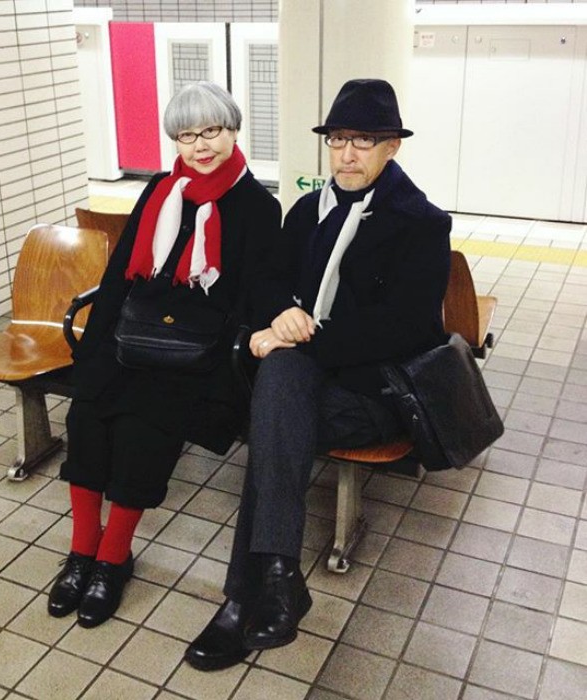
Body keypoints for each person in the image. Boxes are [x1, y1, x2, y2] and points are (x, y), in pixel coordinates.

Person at [185, 78, 452, 670]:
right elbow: (268, 279)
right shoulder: (309, 210)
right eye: (337, 140)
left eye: (364, 140)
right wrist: (280, 313)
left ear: (392, 147)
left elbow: (409, 329)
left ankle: (244, 597)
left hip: (374, 391)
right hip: (305, 380)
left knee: (276, 407)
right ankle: (277, 577)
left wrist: (297, 338)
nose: (347, 154)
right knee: (281, 400)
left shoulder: (421, 222)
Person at [48, 82, 283, 628]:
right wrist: (94, 350)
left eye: (212, 131)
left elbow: (253, 294)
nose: (201, 146)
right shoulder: (161, 187)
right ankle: (82, 551)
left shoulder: (257, 206)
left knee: (141, 433)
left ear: (233, 130)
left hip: (194, 352)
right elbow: (120, 274)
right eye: (186, 135)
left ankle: (113, 559)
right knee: (86, 418)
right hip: (131, 336)